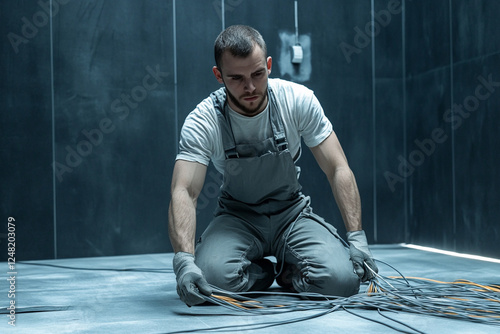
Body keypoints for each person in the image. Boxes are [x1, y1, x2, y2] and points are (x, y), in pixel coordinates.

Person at [168, 25, 378, 307]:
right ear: (219, 76)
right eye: (237, 78)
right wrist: (183, 260)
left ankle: (289, 273)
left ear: (268, 65)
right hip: (237, 218)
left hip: (291, 215)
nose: (251, 87)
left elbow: (338, 168)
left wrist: (357, 237)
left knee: (341, 282)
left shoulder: (297, 100)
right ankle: (262, 273)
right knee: (210, 284)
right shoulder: (203, 120)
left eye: (257, 74)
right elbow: (184, 191)